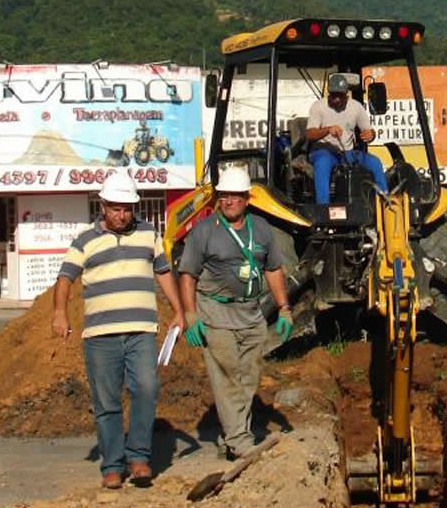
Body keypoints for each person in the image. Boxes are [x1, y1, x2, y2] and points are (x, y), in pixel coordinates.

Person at [51, 171, 185, 489]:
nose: (122, 214)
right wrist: (59, 313)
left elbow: (164, 273)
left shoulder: (148, 234)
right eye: (115, 208)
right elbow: (65, 278)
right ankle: (112, 465)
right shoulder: (84, 239)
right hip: (100, 335)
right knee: (107, 401)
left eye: (127, 208)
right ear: (103, 206)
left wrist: (179, 311)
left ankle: (138, 457)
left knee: (147, 389)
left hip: (141, 331)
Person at [178, 167, 292, 460]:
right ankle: (240, 440)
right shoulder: (204, 231)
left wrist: (284, 309)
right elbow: (188, 275)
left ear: (247, 199)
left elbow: (273, 269)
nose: (228, 201)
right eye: (223, 196)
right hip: (215, 311)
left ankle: (230, 432)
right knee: (227, 375)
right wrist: (190, 315)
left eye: (234, 196)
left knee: (248, 377)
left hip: (251, 313)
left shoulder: (262, 229)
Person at [305, 73, 388, 205]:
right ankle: (324, 207)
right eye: (333, 95)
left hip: (347, 152)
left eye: (340, 95)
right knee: (322, 164)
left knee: (375, 162)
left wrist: (371, 135)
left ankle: (384, 201)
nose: (337, 99)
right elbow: (309, 134)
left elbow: (369, 130)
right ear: (329, 94)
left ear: (346, 95)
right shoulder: (318, 106)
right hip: (323, 150)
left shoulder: (356, 107)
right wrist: (327, 129)